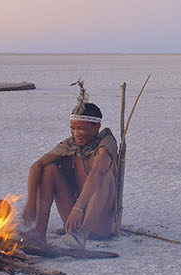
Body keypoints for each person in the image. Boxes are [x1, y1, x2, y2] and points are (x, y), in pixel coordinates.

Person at [24, 100, 121, 242]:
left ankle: (82, 235)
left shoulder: (105, 143)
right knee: (49, 169)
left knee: (105, 175)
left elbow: (98, 171)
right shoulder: (71, 144)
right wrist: (31, 203)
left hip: (99, 225)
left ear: (97, 126)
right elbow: (37, 165)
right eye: (73, 128)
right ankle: (39, 231)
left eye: (81, 128)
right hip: (73, 221)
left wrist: (78, 208)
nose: (76, 133)